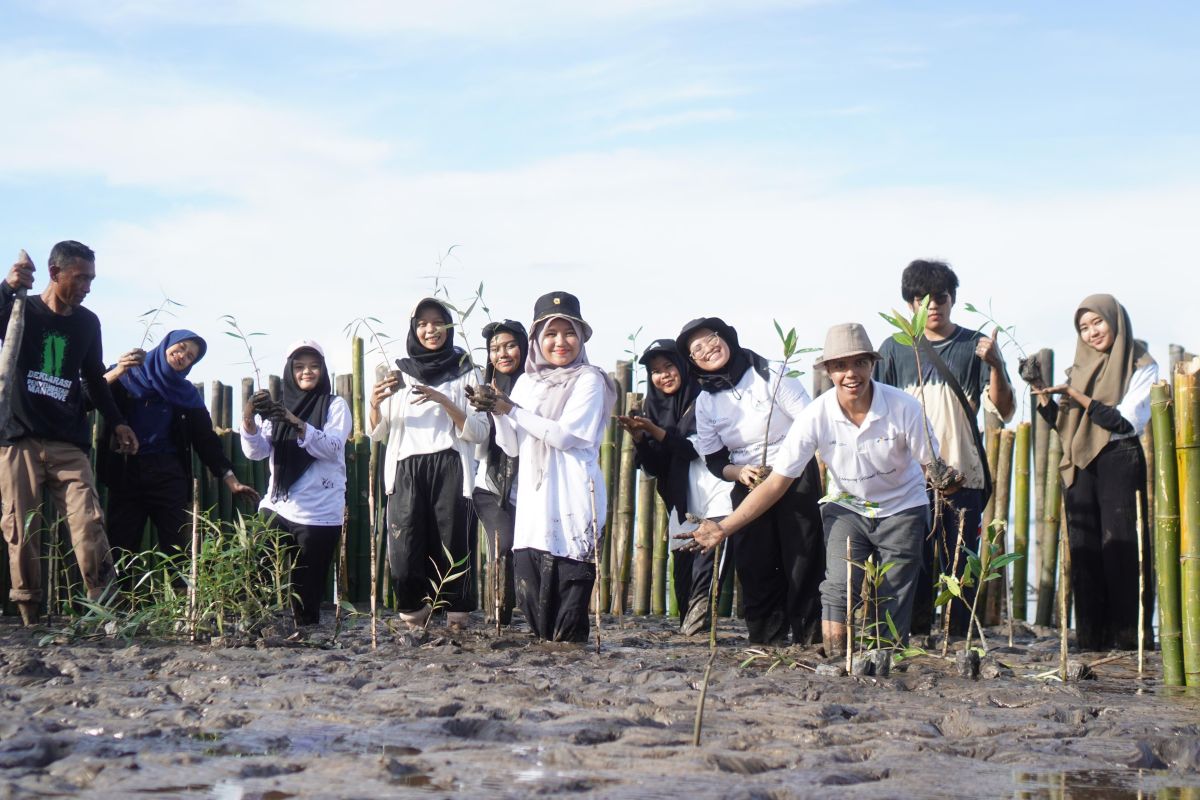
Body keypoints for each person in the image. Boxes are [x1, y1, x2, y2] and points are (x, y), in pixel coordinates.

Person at [683, 324, 937, 654]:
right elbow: (771, 481)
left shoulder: (904, 407)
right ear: (828, 370)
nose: (851, 374)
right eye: (841, 366)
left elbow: (930, 465)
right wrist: (723, 527)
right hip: (842, 502)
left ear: (872, 364)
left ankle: (883, 655)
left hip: (899, 504)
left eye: (859, 363)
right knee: (832, 586)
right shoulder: (814, 414)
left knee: (888, 590)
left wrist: (942, 490)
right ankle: (827, 655)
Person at [0, 243, 138, 625]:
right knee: (21, 527)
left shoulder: (87, 323)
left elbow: (94, 378)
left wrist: (118, 421)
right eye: (80, 278)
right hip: (19, 439)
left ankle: (105, 609)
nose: (87, 287)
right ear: (54, 272)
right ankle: (28, 612)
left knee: (89, 520)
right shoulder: (19, 310)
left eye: (91, 279)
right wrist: (8, 288)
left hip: (68, 440)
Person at [875, 259, 1014, 637]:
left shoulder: (975, 346)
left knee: (959, 561)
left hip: (962, 472)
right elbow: (877, 412)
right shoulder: (893, 348)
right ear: (910, 305)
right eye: (922, 298)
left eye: (940, 296)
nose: (932, 305)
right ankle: (915, 636)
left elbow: (1003, 409)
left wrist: (997, 365)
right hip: (907, 477)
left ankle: (959, 640)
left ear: (952, 299)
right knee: (910, 562)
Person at [676, 317, 824, 645]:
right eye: (696, 349)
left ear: (726, 336)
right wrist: (739, 472)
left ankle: (810, 638)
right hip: (748, 482)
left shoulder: (771, 373)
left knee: (802, 558)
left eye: (711, 338)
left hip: (794, 475)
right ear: (692, 361)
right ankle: (765, 639)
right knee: (755, 563)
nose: (707, 349)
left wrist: (786, 462)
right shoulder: (704, 402)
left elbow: (810, 425)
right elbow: (716, 461)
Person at [1026, 294, 1156, 651]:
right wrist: (1042, 396)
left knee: (1121, 549)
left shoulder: (1140, 363)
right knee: (1084, 552)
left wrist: (1075, 395)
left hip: (1119, 457)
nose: (1091, 333)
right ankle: (1090, 641)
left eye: (1097, 322)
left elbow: (1123, 420)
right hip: (1082, 463)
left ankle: (1130, 642)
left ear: (1115, 320)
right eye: (1083, 327)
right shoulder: (1078, 371)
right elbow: (1067, 428)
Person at [485, 291, 616, 642]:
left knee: (568, 619)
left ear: (582, 337)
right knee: (535, 612)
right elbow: (512, 444)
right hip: (533, 508)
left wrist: (510, 409)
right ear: (537, 341)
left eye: (569, 332)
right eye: (551, 334)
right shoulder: (527, 383)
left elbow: (563, 436)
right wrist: (496, 411)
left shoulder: (590, 379)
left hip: (573, 503)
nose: (561, 342)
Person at [369, 298, 487, 630]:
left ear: (449, 327)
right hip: (406, 469)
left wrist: (446, 402)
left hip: (451, 466)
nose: (430, 329)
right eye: (422, 323)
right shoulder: (396, 372)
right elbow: (378, 433)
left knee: (452, 546)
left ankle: (456, 622)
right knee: (404, 554)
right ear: (413, 328)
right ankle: (413, 618)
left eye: (438, 322)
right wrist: (375, 404)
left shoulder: (468, 369)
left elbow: (479, 432)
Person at [99, 330, 260, 558]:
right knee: (119, 549)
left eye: (191, 356)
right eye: (182, 347)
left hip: (168, 476)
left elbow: (206, 440)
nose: (183, 355)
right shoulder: (125, 376)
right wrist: (118, 371)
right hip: (126, 473)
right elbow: (87, 396)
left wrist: (231, 481)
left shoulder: (186, 395)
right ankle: (117, 594)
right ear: (167, 344)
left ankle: (181, 593)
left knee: (176, 551)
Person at [618, 338, 733, 634]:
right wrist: (641, 439)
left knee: (705, 572)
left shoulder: (704, 399)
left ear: (683, 365)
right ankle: (689, 634)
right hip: (681, 504)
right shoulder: (654, 409)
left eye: (669, 366)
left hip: (716, 498)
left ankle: (697, 634)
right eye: (656, 371)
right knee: (682, 577)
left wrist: (653, 431)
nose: (663, 375)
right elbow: (655, 467)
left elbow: (693, 449)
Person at [241, 340, 349, 626]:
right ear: (290, 370)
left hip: (319, 511)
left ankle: (307, 637)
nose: (307, 372)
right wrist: (249, 418)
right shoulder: (278, 408)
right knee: (258, 571)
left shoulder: (335, 405)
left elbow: (332, 447)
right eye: (299, 367)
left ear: (323, 370)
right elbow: (256, 451)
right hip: (278, 505)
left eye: (314, 366)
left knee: (307, 591)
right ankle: (255, 627)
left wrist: (296, 423)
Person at [467, 319, 528, 626]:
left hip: (531, 488)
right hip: (491, 484)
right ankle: (497, 619)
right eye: (494, 348)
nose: (502, 354)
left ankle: (523, 614)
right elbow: (481, 438)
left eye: (510, 346)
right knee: (502, 545)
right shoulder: (482, 389)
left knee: (527, 553)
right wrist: (488, 407)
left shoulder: (536, 387)